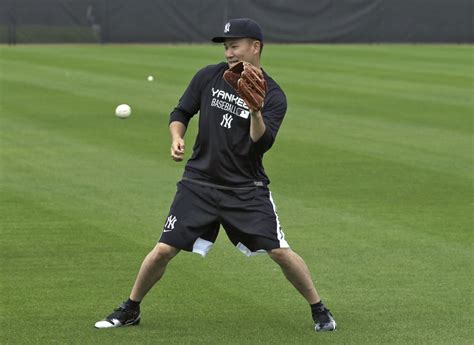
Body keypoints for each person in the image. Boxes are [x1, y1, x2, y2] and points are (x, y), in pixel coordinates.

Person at [94, 18, 336, 332]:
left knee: (279, 250)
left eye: (234, 45)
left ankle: (319, 310)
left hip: (245, 188)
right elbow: (180, 112)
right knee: (164, 249)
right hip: (199, 183)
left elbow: (260, 144)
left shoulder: (273, 95)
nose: (229, 52)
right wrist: (176, 137)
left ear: (255, 47)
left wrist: (256, 110)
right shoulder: (208, 77)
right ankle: (130, 308)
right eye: (226, 47)